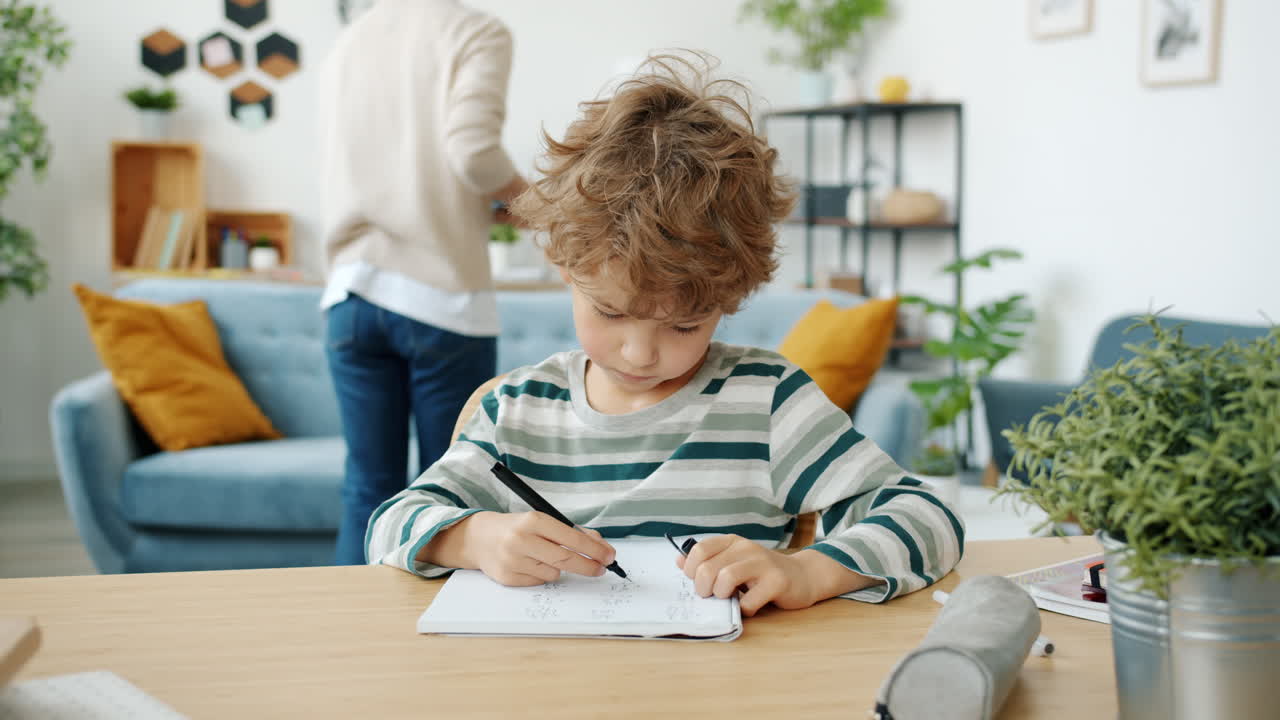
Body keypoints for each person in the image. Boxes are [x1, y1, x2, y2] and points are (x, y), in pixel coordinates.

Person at [365, 54, 964, 614]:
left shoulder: (767, 402)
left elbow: (929, 516)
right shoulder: (515, 413)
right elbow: (389, 526)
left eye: (683, 324)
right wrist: (472, 538)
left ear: (730, 299)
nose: (639, 352)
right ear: (565, 268)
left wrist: (808, 572)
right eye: (610, 311)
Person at [318, 0, 528, 565]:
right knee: (453, 498)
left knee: (367, 486)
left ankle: (353, 645)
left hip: (349, 294)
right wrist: (532, 200)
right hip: (439, 298)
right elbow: (474, 151)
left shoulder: (352, 40)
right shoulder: (475, 32)